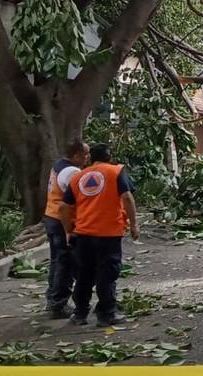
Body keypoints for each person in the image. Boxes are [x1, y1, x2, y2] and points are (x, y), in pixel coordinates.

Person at [63, 144, 139, 327]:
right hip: (108, 233)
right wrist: (134, 224)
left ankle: (79, 313)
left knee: (84, 274)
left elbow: (64, 207)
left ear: (91, 158)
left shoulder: (78, 177)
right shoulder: (116, 171)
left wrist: (68, 230)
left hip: (83, 233)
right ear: (109, 156)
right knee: (107, 273)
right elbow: (127, 197)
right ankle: (106, 314)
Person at [42, 139, 88, 318]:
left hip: (51, 216)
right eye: (85, 154)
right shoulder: (72, 172)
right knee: (66, 263)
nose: (87, 157)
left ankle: (53, 299)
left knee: (57, 261)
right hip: (62, 221)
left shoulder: (59, 165)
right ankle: (59, 304)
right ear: (76, 155)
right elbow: (75, 200)